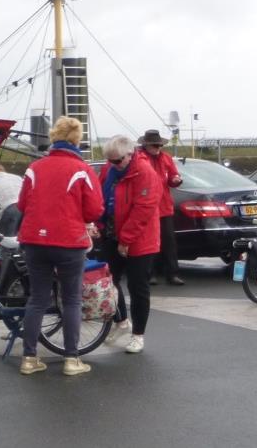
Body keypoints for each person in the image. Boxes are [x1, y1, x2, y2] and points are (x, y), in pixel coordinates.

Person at [16, 117, 104, 376]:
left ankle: (29, 358)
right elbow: (94, 209)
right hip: (68, 242)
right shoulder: (82, 170)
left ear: (54, 138)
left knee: (37, 299)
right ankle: (71, 359)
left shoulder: (35, 168)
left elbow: (22, 205)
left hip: (33, 241)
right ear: (76, 140)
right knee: (72, 300)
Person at [97, 135, 161, 354]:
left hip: (140, 239)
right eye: (110, 161)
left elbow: (144, 209)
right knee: (108, 283)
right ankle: (122, 322)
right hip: (112, 233)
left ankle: (138, 335)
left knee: (137, 288)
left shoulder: (145, 173)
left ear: (130, 154)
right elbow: (101, 199)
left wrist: (126, 240)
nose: (113, 165)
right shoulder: (110, 170)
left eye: (117, 161)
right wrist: (96, 223)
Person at [137, 129, 185, 285]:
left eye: (159, 145)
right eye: (155, 145)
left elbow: (172, 177)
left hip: (164, 206)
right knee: (150, 242)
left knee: (169, 241)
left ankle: (173, 273)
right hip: (147, 207)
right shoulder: (139, 158)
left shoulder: (166, 158)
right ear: (146, 145)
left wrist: (176, 180)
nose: (157, 148)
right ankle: (151, 273)